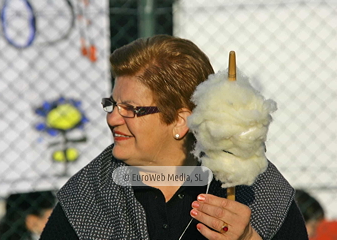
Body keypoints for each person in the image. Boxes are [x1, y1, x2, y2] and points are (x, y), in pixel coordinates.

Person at [40, 35, 308, 239]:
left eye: (130, 109)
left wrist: (249, 237)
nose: (112, 118)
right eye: (111, 104)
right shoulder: (90, 195)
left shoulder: (252, 185)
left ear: (180, 121)